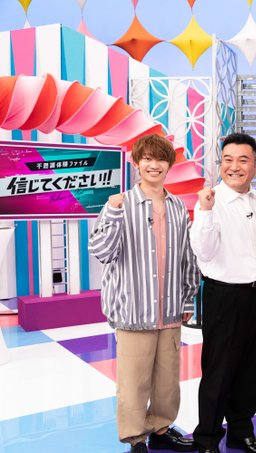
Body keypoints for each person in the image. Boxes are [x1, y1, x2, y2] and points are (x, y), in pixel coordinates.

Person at [88, 134, 200, 453]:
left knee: (167, 381)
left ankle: (161, 429)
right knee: (133, 382)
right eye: (147, 159)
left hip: (171, 310)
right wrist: (112, 213)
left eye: (160, 159)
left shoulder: (178, 206)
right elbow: (101, 251)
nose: (154, 165)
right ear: (136, 163)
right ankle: (135, 438)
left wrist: (188, 298)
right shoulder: (120, 203)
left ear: (169, 164)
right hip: (133, 309)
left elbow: (187, 257)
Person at [190, 133, 256, 453]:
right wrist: (205, 211)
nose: (234, 166)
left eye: (242, 160)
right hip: (224, 296)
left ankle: (241, 431)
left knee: (251, 370)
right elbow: (203, 251)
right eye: (228, 160)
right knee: (219, 371)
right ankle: (207, 439)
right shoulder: (210, 202)